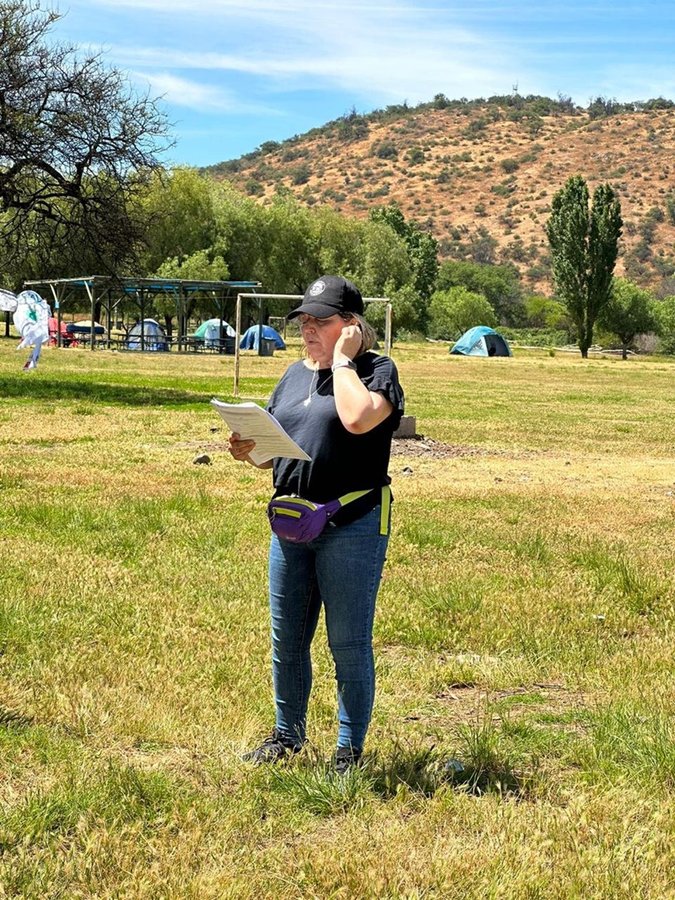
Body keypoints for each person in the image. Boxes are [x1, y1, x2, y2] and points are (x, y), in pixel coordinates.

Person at [228, 275, 404, 773]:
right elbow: (279, 450)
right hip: (292, 526)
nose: (307, 329)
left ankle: (348, 752)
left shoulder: (377, 371)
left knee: (347, 643)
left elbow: (356, 419)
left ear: (351, 326)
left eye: (320, 321)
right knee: (286, 640)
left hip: (352, 525)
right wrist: (249, 451)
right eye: (304, 320)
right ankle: (287, 736)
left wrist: (343, 361)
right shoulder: (291, 375)